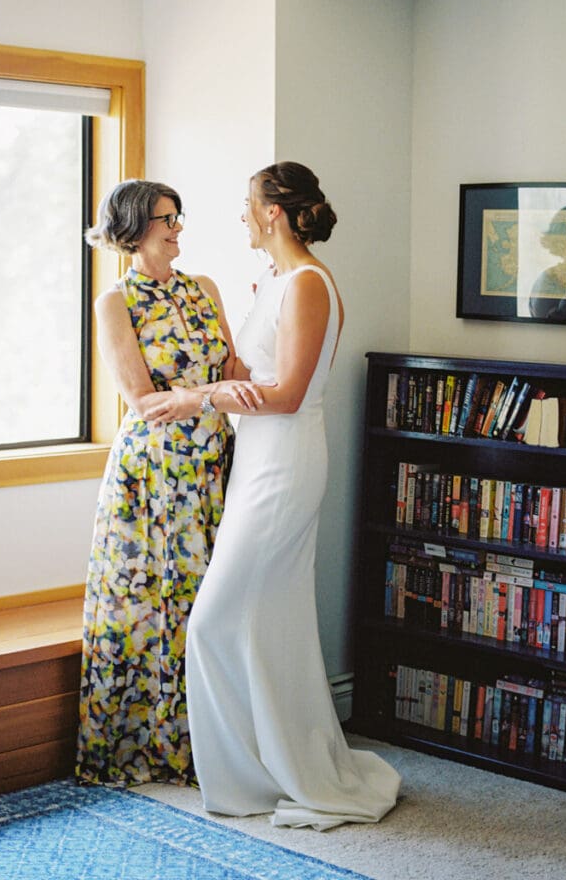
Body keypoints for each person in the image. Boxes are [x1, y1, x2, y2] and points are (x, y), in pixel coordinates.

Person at [178, 161, 401, 829]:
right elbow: (248, 374)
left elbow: (289, 394)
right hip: (257, 460)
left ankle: (255, 773)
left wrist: (203, 396)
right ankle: (273, 762)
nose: (242, 215)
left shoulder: (307, 284)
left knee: (213, 621)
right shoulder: (274, 283)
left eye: (248, 204)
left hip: (286, 463)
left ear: (273, 212)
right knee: (267, 619)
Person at [76, 179, 261, 788]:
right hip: (154, 471)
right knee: (158, 604)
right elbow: (144, 401)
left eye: (179, 215)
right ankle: (160, 747)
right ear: (133, 227)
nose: (178, 226)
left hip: (214, 461)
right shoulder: (114, 302)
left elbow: (234, 371)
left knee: (216, 597)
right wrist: (208, 395)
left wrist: (268, 324)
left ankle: (221, 737)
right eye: (165, 218)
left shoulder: (204, 289)